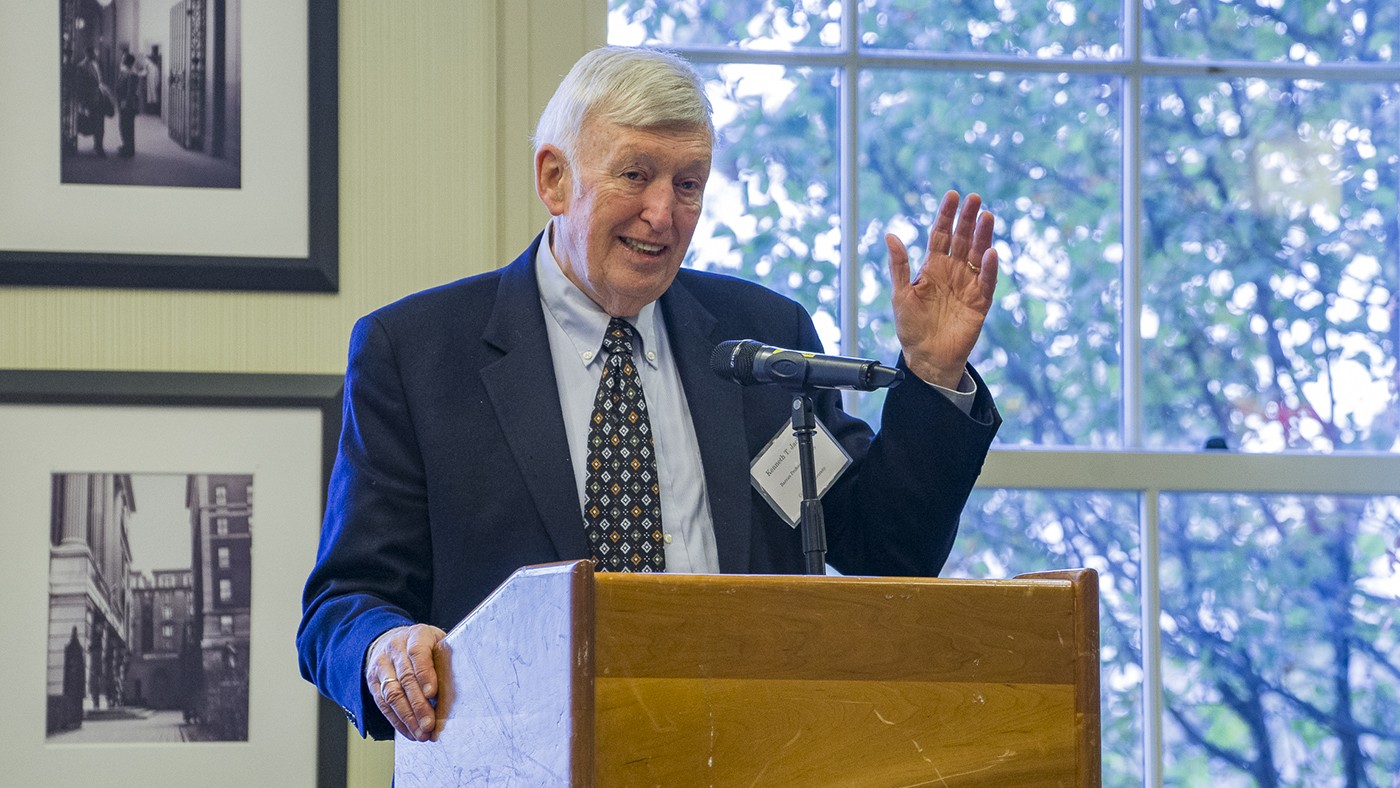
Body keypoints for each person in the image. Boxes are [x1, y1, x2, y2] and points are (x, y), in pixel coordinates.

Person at [297, 45, 1003, 743]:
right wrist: (381, 648)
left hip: (741, 752)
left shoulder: (762, 335)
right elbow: (342, 603)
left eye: (689, 184)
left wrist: (934, 374)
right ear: (554, 179)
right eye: (636, 175)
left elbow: (884, 548)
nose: (663, 214)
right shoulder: (417, 350)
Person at [74, 47, 109, 156]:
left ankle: (99, 145)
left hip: (99, 97)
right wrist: (82, 104)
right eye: (94, 52)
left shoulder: (96, 64)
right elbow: (80, 86)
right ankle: (99, 146)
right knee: (94, 124)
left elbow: (99, 80)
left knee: (100, 124)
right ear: (88, 53)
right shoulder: (81, 67)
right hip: (90, 99)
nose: (96, 54)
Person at [115, 52, 144, 158]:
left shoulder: (132, 74)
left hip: (127, 104)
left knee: (127, 126)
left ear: (127, 61)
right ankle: (126, 146)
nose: (121, 59)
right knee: (124, 126)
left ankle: (128, 149)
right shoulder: (125, 72)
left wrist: (125, 103)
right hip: (123, 102)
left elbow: (130, 92)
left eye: (123, 58)